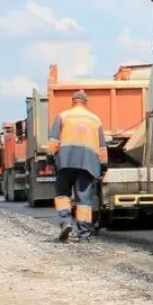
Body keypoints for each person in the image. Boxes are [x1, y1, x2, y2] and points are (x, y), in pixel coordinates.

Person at [45, 90, 108, 243]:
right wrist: (104, 167)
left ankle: (66, 222)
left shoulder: (63, 116)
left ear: (72, 101)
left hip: (65, 163)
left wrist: (49, 160)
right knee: (84, 201)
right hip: (87, 164)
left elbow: (53, 142)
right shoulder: (95, 120)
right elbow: (102, 147)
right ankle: (84, 235)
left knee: (63, 195)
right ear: (86, 103)